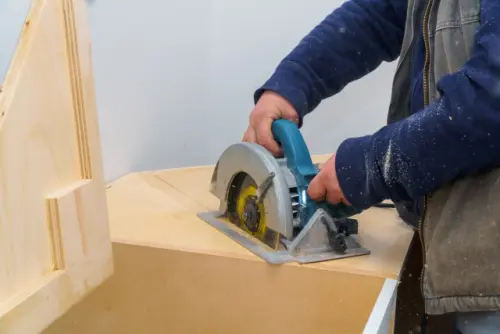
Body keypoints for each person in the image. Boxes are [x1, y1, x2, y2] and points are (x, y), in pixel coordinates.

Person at [242, 0, 500, 333]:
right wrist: (292, 83)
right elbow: (375, 16)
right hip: (463, 259)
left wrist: (372, 165)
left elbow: (490, 104)